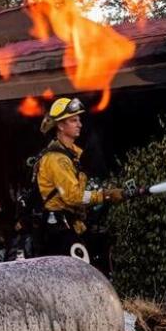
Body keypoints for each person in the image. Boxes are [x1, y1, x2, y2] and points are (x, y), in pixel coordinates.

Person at [34, 97, 124, 260]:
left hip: (70, 225)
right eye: (73, 120)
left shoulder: (72, 155)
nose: (79, 124)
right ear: (61, 125)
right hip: (59, 232)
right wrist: (105, 195)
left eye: (79, 120)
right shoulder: (57, 159)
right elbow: (73, 196)